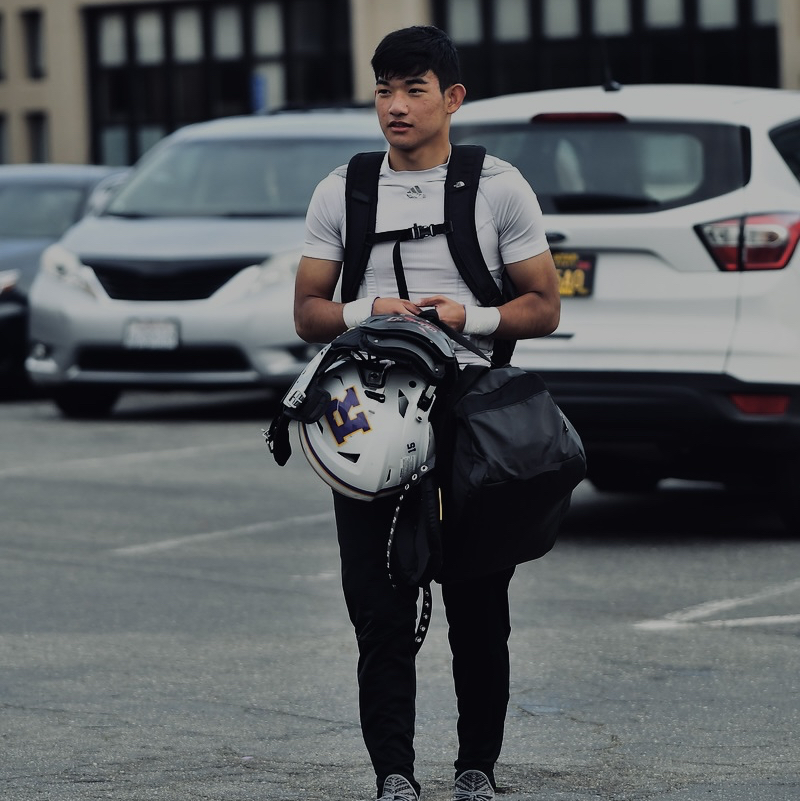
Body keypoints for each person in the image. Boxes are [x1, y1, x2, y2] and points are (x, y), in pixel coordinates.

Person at [293, 25, 561, 801]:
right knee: (379, 611)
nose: (396, 106)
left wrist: (466, 315)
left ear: (453, 98)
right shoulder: (343, 190)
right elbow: (308, 311)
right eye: (384, 90)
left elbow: (543, 305)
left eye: (414, 90)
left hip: (472, 423)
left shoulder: (498, 187)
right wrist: (368, 309)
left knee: (478, 607)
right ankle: (394, 775)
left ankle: (476, 766)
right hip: (369, 421)